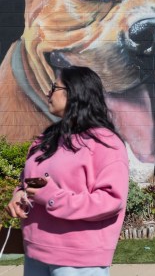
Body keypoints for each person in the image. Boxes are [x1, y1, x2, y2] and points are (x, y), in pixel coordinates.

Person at [4, 66, 129, 276]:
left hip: (78, 260)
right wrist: (20, 194)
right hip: (36, 252)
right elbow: (29, 181)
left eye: (54, 87)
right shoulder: (47, 137)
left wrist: (53, 198)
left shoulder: (105, 143)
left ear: (75, 91)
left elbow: (111, 200)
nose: (48, 93)